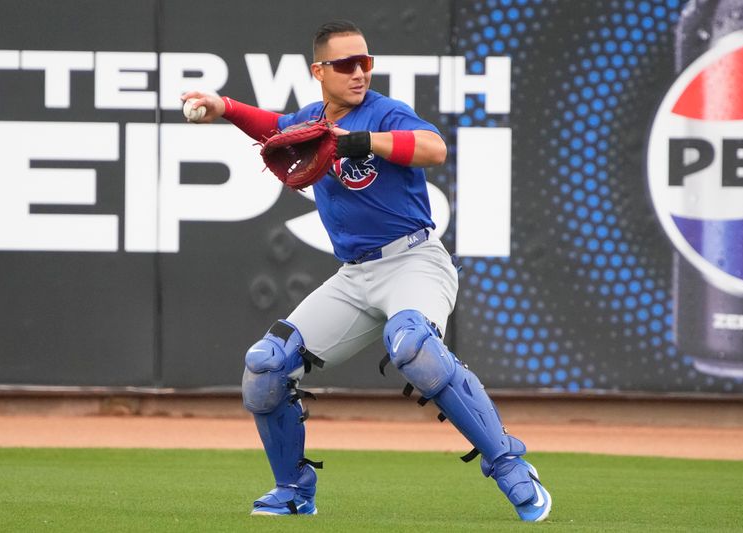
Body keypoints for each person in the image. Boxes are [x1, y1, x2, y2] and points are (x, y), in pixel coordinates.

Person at [182, 20, 552, 522]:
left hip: (414, 260)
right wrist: (224, 107)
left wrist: (367, 142)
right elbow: (274, 127)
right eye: (346, 64)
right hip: (355, 278)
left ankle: (508, 462)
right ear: (319, 71)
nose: (360, 73)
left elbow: (435, 149)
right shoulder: (312, 117)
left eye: (366, 62)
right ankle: (293, 489)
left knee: (413, 346)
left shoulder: (385, 112)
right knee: (266, 364)